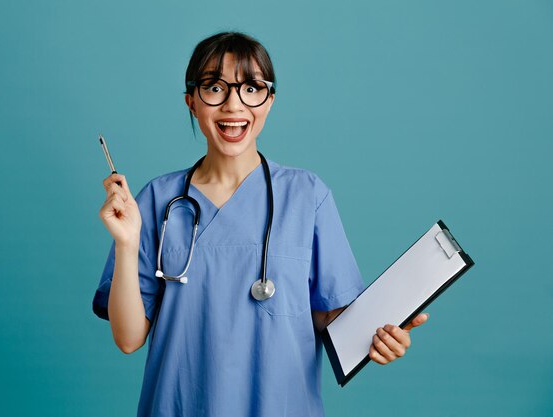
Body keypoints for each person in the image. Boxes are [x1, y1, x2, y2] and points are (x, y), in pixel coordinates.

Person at [93, 31, 429, 417]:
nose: (233, 105)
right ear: (191, 102)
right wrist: (125, 242)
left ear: (269, 101)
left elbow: (330, 316)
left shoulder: (308, 196)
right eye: (214, 87)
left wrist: (381, 335)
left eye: (251, 88)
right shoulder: (157, 200)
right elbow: (128, 338)